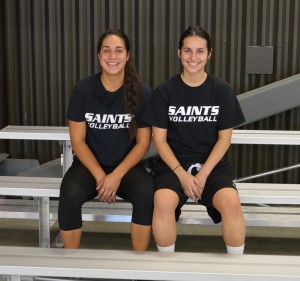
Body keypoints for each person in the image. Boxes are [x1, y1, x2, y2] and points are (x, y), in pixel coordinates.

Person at [143, 26, 246, 254]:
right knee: (162, 202)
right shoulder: (164, 92)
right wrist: (182, 174)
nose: (193, 57)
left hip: (211, 167)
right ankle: (166, 269)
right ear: (179, 53)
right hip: (172, 166)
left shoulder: (221, 91)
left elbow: (224, 138)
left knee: (231, 202)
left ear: (209, 54)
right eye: (188, 51)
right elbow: (159, 140)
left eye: (200, 51)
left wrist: (202, 174)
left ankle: (237, 269)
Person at [58, 29, 154, 251]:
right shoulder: (83, 90)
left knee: (146, 192)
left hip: (128, 167)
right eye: (107, 51)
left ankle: (138, 268)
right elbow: (78, 141)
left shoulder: (142, 92)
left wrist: (116, 176)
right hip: (89, 166)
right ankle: (70, 265)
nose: (113, 56)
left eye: (119, 50)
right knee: (69, 192)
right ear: (99, 56)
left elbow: (142, 144)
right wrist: (102, 177)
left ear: (127, 55)